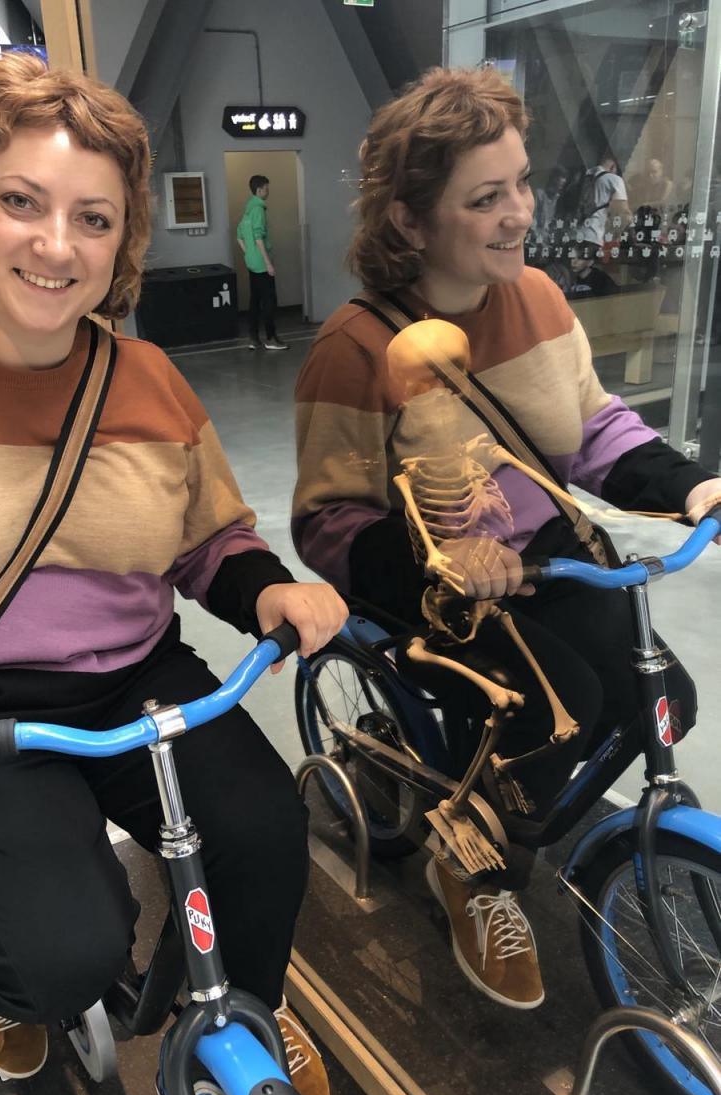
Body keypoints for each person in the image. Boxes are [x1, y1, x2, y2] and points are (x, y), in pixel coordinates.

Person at [0, 54, 346, 1095]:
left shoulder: (147, 379)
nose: (57, 245)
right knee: (60, 958)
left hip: (138, 679)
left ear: (122, 239)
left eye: (92, 219)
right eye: (20, 202)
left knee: (260, 838)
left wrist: (266, 591)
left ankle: (246, 1011)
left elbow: (207, 538)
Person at [291, 66, 721, 1011]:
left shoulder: (538, 299)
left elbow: (593, 427)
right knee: (553, 705)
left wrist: (690, 485)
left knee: (662, 697)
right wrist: (441, 563)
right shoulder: (354, 350)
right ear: (410, 221)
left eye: (521, 183)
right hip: (432, 586)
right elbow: (327, 522)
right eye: (485, 198)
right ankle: (472, 867)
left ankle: (509, 813)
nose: (519, 212)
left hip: (547, 560)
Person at [236, 175, 288, 350]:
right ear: (259, 190)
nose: (268, 191)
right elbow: (258, 237)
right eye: (266, 188)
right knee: (269, 301)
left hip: (251, 262)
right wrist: (267, 263)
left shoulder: (248, 210)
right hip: (261, 263)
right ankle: (271, 339)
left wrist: (248, 253)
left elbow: (239, 236)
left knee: (255, 300)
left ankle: (253, 338)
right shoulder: (258, 209)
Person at [575, 149, 631, 257]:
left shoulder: (582, 178)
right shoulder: (614, 179)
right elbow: (623, 212)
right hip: (593, 235)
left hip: (574, 233)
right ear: (613, 167)